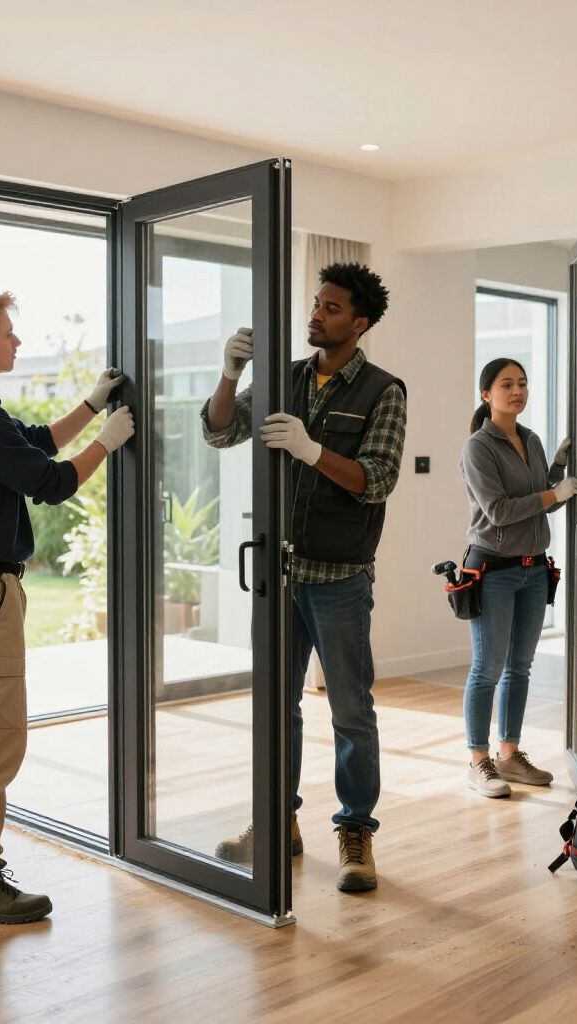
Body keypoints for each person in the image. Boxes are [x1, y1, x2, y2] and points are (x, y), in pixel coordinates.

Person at [0, 289, 134, 923]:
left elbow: (33, 443)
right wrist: (109, 443)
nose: (17, 343)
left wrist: (91, 405)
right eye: (8, 334)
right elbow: (52, 481)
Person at [202, 262, 405, 893]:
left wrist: (315, 452)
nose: (316, 315)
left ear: (361, 322)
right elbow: (218, 431)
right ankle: (278, 823)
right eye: (316, 304)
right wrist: (232, 372)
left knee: (350, 711)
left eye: (332, 308)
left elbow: (378, 479)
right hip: (279, 575)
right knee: (276, 705)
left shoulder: (383, 390)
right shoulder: (286, 377)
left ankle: (355, 832)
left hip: (339, 576)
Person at [459, 358, 577, 797]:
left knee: (520, 667)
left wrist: (558, 473)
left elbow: (543, 504)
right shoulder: (479, 446)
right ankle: (479, 760)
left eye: (523, 384)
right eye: (507, 384)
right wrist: (553, 491)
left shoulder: (530, 439)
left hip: (533, 570)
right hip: (493, 570)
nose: (518, 391)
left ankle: (508, 755)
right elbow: (500, 511)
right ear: (486, 394)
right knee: (487, 668)